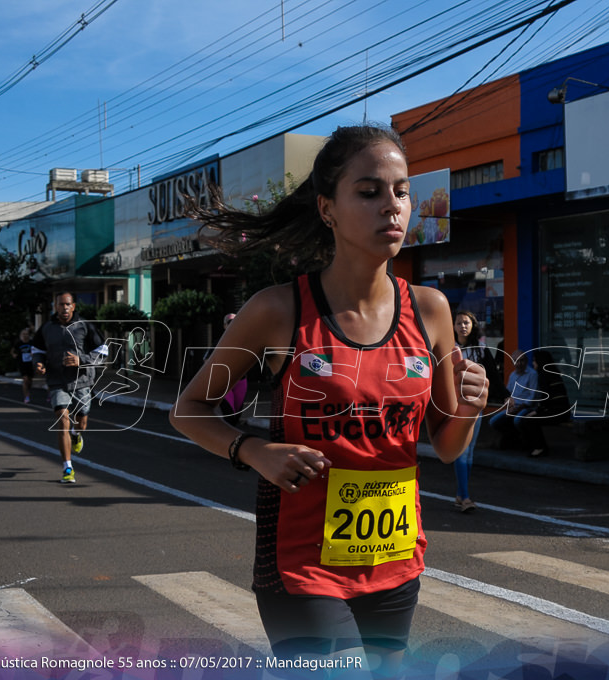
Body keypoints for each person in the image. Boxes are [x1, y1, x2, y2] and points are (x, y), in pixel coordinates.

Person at [169, 124, 488, 676]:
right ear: (328, 209)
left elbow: (448, 448)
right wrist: (253, 450)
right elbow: (189, 408)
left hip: (394, 560)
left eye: (402, 190)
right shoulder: (278, 310)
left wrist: (467, 409)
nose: (392, 206)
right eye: (369, 192)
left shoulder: (431, 310)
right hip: (300, 563)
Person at [32, 292, 107, 484]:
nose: (64, 308)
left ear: (73, 306)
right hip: (57, 381)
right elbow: (37, 350)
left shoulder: (85, 326)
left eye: (67, 304)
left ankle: (77, 434)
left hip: (82, 381)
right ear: (55, 306)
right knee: (62, 419)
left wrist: (81, 360)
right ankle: (67, 467)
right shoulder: (47, 328)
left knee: (81, 421)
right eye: (60, 305)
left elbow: (103, 351)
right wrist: (39, 363)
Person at [452, 309, 490, 513]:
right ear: (453, 326)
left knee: (469, 452)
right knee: (461, 450)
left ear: (472, 325)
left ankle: (460, 495)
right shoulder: (449, 348)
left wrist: (505, 396)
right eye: (459, 323)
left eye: (466, 322)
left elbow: (491, 373)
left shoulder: (481, 349)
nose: (463, 326)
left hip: (476, 406)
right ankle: (465, 497)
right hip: (456, 406)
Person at [517, 350, 572, 457]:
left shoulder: (544, 375)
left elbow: (546, 399)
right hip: (562, 411)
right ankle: (536, 446)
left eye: (534, 361)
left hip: (558, 412)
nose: (533, 364)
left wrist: (536, 412)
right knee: (528, 419)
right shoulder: (553, 373)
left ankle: (539, 448)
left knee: (529, 420)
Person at [489, 351, 538, 449]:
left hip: (527, 407)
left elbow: (533, 397)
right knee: (493, 422)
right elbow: (508, 393)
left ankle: (525, 443)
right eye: (516, 361)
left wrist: (518, 408)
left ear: (526, 361)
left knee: (517, 420)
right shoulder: (512, 375)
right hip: (514, 406)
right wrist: (509, 406)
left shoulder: (532, 374)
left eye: (522, 361)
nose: (519, 364)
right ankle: (513, 439)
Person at [217, 313, 249, 426]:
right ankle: (223, 441)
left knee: (237, 416)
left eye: (234, 322)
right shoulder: (219, 342)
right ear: (224, 325)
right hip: (225, 383)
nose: (232, 325)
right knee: (229, 415)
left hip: (240, 381)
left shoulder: (245, 341)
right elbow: (207, 360)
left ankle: (232, 441)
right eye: (229, 323)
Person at [11, 327, 35, 403]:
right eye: (24, 334)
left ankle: (28, 389)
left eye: (27, 334)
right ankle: (26, 396)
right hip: (22, 363)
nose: (25, 335)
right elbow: (12, 351)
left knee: (30, 380)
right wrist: (14, 355)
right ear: (21, 335)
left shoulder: (31, 343)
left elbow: (36, 350)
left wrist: (33, 354)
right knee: (25, 379)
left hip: (30, 363)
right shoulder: (19, 343)